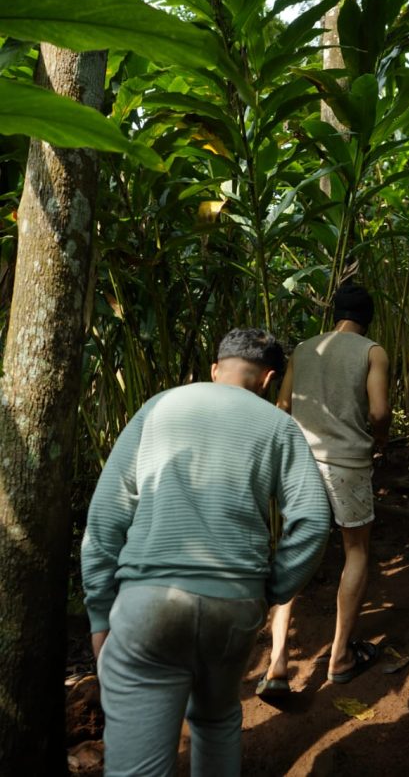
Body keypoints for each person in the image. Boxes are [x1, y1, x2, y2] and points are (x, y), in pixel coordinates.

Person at [81, 327, 331, 777]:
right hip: (233, 605)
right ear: (269, 379)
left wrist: (99, 613)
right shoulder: (278, 425)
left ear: (216, 369)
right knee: (217, 720)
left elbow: (105, 517)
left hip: (149, 601)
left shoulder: (158, 408)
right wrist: (271, 589)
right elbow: (313, 519)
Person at [257, 284, 391, 697]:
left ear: (335, 314)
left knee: (294, 552)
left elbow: (281, 407)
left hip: (301, 463)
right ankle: (340, 657)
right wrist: (379, 443)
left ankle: (277, 664)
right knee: (356, 550)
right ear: (369, 317)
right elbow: (378, 411)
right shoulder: (372, 352)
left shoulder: (303, 348)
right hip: (348, 463)